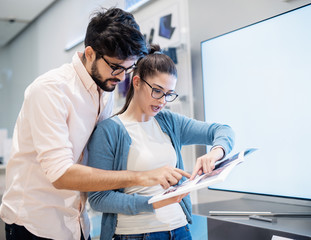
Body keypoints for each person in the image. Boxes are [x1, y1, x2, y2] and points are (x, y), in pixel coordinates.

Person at [0, 8, 190, 240]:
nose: (121, 77)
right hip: (35, 223)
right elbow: (60, 175)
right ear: (90, 53)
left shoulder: (104, 90)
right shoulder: (50, 90)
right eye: (116, 67)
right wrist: (143, 176)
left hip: (78, 222)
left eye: (127, 69)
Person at [86, 44, 235, 240]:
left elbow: (223, 130)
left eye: (169, 94)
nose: (162, 101)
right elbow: (98, 198)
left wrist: (215, 153)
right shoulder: (109, 131)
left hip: (180, 230)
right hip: (136, 234)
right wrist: (152, 202)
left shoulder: (169, 121)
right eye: (157, 91)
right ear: (137, 82)